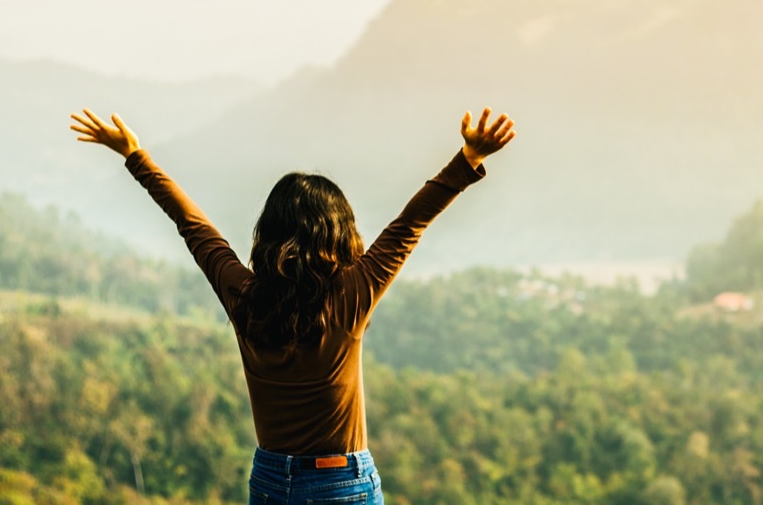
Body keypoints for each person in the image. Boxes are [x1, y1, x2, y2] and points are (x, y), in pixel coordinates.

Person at [68, 106, 515, 504]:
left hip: (270, 482)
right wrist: (468, 159)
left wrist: (136, 156)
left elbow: (192, 225)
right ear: (340, 232)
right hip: (341, 483)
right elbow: (410, 223)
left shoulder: (244, 295)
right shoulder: (352, 293)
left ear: (268, 231)